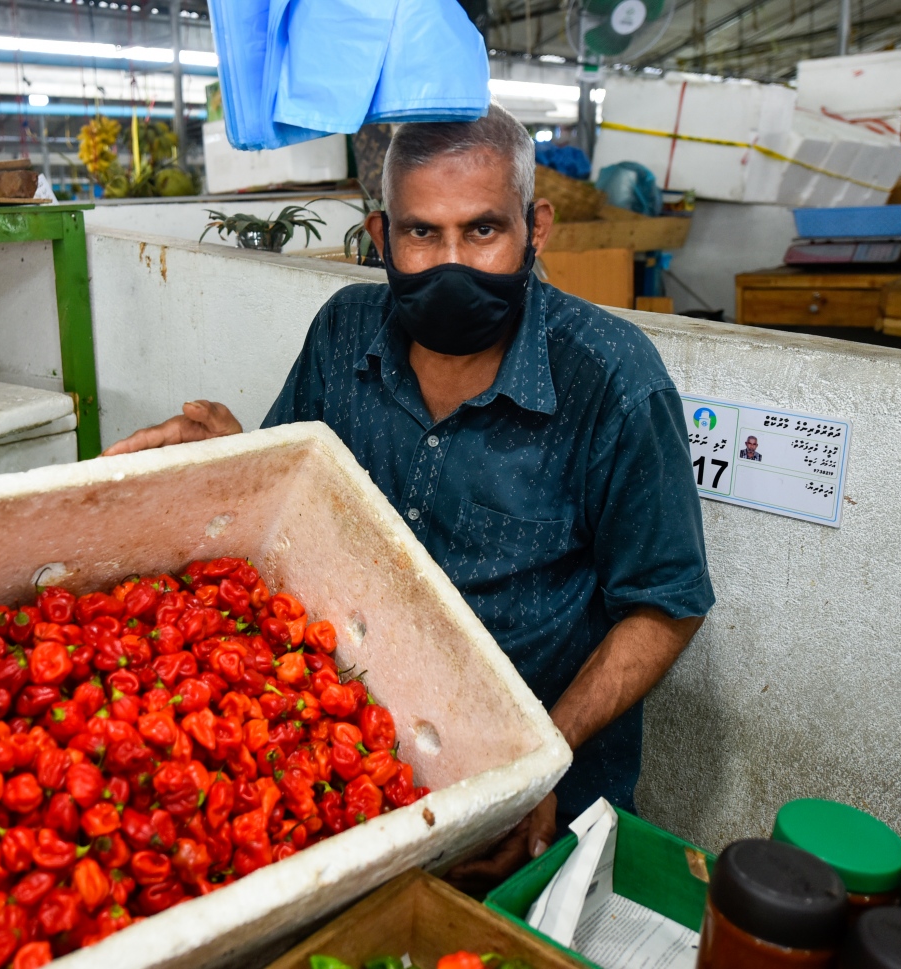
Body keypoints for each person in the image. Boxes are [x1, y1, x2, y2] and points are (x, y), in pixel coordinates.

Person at [102, 105, 714, 890]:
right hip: (352, 770)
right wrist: (231, 460)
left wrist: (538, 763)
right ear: (381, 235)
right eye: (423, 233)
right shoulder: (342, 335)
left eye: (483, 231)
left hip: (537, 812)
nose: (452, 262)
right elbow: (292, 512)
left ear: (538, 228)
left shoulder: (613, 380)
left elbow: (667, 604)